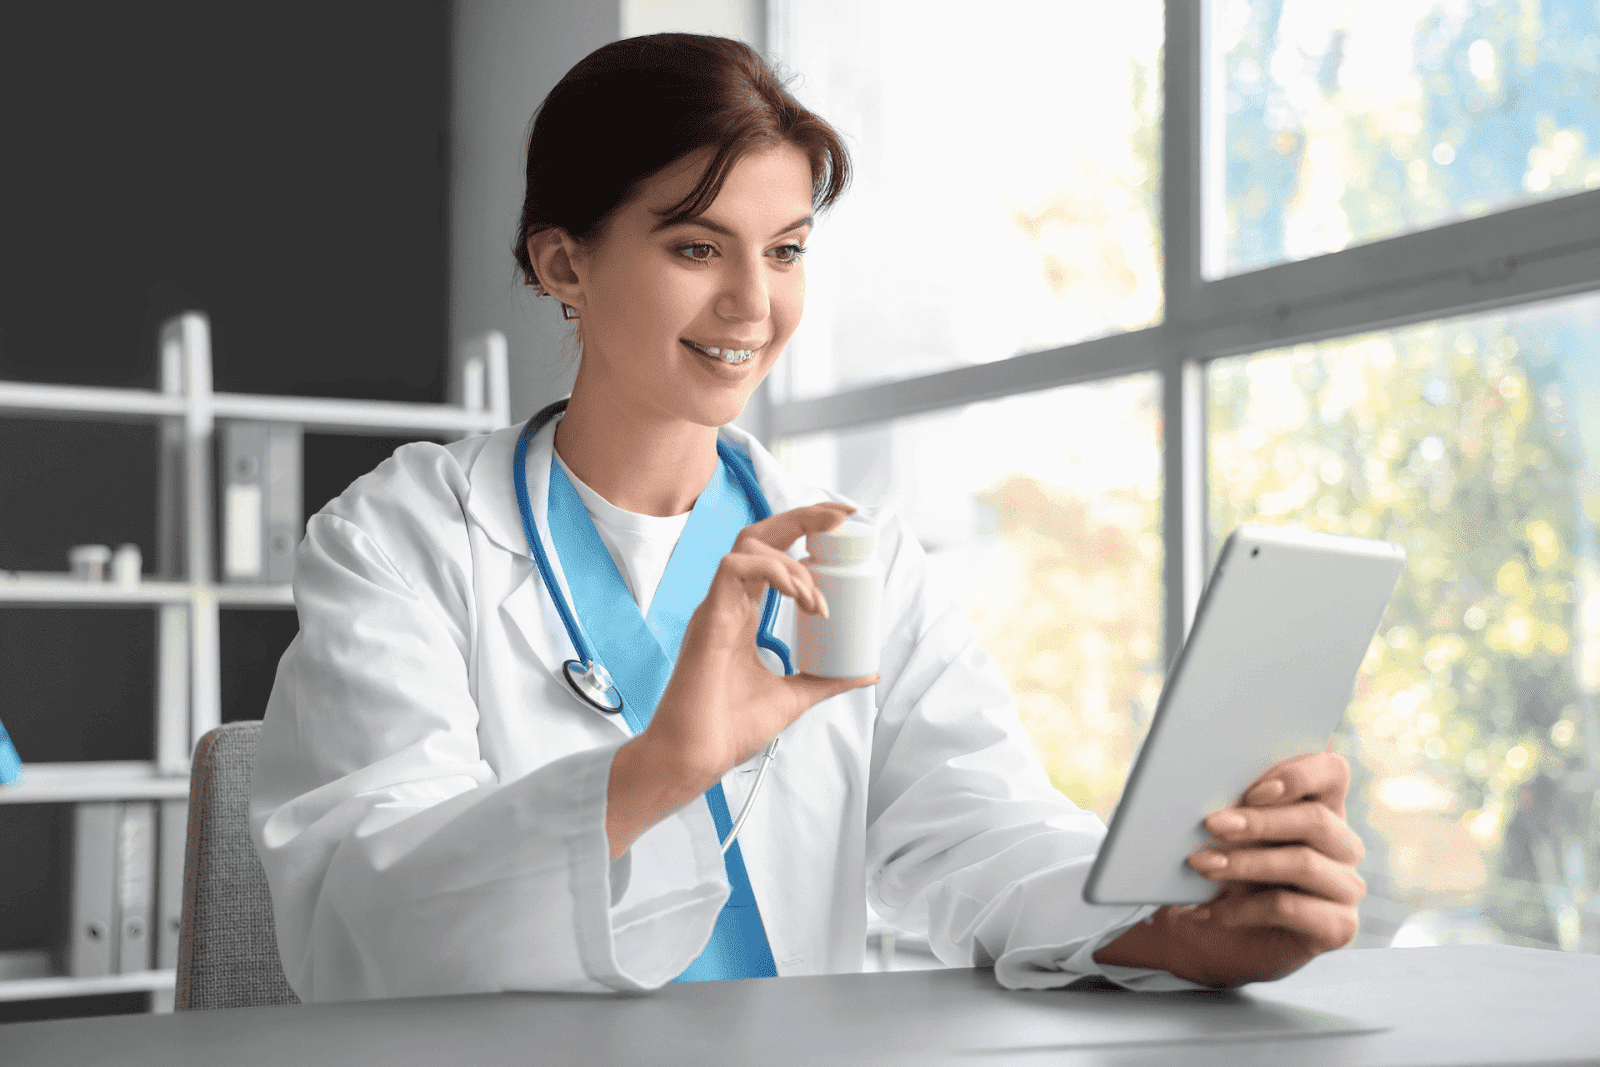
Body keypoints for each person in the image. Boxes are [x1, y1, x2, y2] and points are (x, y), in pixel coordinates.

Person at [249, 33, 1366, 1001]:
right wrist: (660, 767)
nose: (754, 303)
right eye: (697, 247)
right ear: (563, 263)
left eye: (784, 250)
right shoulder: (404, 539)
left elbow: (978, 830)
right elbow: (362, 919)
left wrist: (1178, 922)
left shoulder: (850, 553)